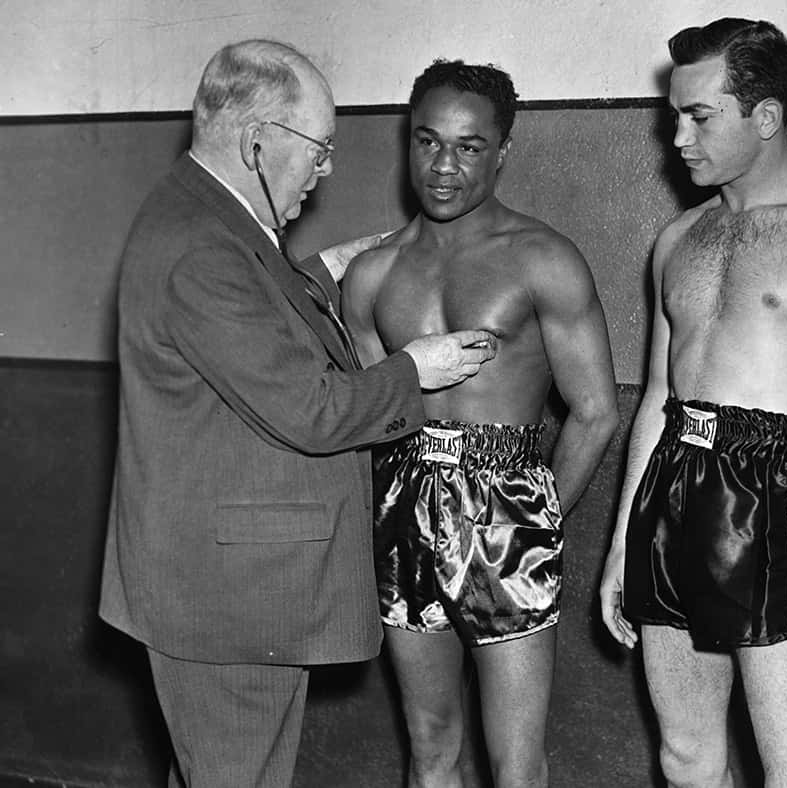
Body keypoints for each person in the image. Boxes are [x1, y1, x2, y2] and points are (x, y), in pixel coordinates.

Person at [99, 40, 497, 788]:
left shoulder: (203, 216)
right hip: (228, 607)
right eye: (318, 150)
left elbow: (247, 321)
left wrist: (325, 269)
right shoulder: (202, 248)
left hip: (220, 592)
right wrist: (418, 369)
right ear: (257, 143)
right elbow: (312, 410)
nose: (325, 171)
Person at [599, 18, 787, 787]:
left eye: (699, 116)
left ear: (765, 118)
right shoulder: (677, 241)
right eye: (675, 115)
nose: (678, 137)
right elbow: (660, 399)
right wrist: (620, 551)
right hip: (673, 483)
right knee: (687, 758)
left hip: (779, 497)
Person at [340, 60, 618, 787]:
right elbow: (368, 418)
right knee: (430, 745)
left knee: (516, 765)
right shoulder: (371, 276)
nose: (443, 166)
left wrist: (537, 517)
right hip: (403, 504)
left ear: (502, 152)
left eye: (468, 147)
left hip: (508, 512)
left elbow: (594, 412)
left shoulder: (542, 259)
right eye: (428, 142)